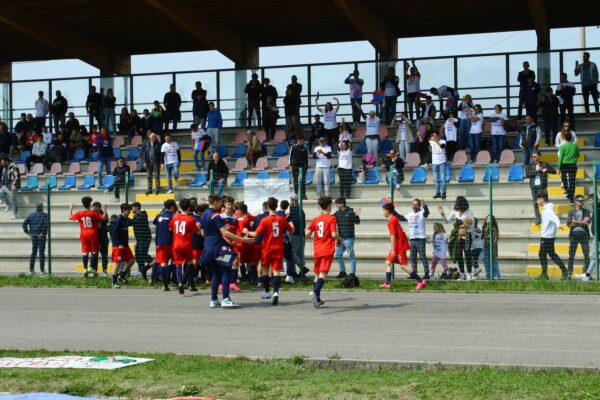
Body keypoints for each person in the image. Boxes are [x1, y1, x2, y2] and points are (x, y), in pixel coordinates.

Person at [201, 195, 254, 309]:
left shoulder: (204, 214)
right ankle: (225, 298)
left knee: (216, 272)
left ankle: (214, 299)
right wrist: (242, 239)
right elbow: (225, 232)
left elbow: (202, 232)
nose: (222, 205)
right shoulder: (216, 216)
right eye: (220, 202)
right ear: (216, 202)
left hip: (208, 245)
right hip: (218, 247)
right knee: (226, 270)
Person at [247, 197, 294, 305]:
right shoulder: (281, 219)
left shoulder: (264, 220)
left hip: (267, 248)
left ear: (268, 207)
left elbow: (255, 234)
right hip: (278, 248)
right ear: (276, 206)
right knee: (276, 271)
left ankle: (267, 292)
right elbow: (291, 230)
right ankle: (276, 293)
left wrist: (246, 231)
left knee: (265, 270)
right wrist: (291, 223)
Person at [380, 202, 427, 289]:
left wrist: (393, 250)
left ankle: (420, 281)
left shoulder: (392, 220)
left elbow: (393, 236)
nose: (383, 212)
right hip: (398, 245)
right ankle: (387, 283)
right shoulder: (393, 219)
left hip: (399, 246)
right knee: (387, 262)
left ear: (388, 211)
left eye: (384, 210)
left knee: (403, 265)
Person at [305, 197, 339, 308]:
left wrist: (310, 234)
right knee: (323, 273)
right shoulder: (332, 218)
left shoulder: (316, 219)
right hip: (327, 249)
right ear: (329, 206)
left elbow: (307, 233)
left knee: (317, 274)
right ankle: (314, 292)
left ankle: (317, 300)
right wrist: (340, 240)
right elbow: (334, 234)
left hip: (317, 249)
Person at [438, 196, 476, 280]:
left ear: (461, 203)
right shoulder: (454, 211)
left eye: (456, 202)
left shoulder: (469, 211)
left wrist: (466, 226)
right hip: (457, 236)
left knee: (467, 255)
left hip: (467, 235)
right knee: (459, 255)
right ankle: (462, 274)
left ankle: (469, 274)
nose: (455, 204)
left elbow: (473, 225)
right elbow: (447, 221)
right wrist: (443, 214)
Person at [168, 198, 201, 295]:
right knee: (190, 263)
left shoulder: (175, 217)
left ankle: (180, 283)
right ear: (189, 207)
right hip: (186, 244)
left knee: (178, 264)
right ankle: (184, 280)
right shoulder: (191, 219)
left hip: (176, 244)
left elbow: (170, 228)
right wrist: (198, 226)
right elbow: (197, 232)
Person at [69, 197, 107, 278]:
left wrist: (70, 208)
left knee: (85, 252)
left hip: (83, 235)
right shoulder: (93, 214)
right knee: (94, 252)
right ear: (90, 204)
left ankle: (85, 269)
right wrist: (105, 209)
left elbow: (70, 217)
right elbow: (103, 217)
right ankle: (91, 267)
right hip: (93, 234)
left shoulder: (79, 213)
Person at [536, 193, 568, 280]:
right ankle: (563, 270)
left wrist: (558, 225)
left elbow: (554, 217)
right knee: (551, 254)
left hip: (547, 237)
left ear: (542, 198)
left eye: (538, 199)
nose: (537, 201)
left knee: (542, 254)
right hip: (549, 236)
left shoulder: (547, 209)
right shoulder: (547, 208)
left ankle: (545, 274)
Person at [526, 151, 556, 225]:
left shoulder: (544, 164)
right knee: (535, 202)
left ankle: (548, 216)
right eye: (532, 156)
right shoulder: (530, 165)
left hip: (542, 186)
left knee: (546, 201)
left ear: (539, 156)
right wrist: (536, 171)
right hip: (534, 187)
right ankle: (538, 217)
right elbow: (527, 175)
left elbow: (554, 171)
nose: (533, 158)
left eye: (535, 156)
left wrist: (546, 170)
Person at [153, 199, 177, 290]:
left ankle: (165, 285)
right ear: (172, 207)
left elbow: (155, 222)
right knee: (174, 262)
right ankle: (174, 281)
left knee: (163, 263)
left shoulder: (159, 215)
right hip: (171, 242)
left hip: (160, 242)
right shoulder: (173, 217)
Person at [333, 198, 360, 278]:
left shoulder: (351, 211)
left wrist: (357, 214)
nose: (336, 205)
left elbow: (357, 222)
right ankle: (342, 271)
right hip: (340, 238)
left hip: (349, 238)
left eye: (337, 204)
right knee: (338, 255)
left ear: (342, 204)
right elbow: (330, 220)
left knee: (351, 256)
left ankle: (352, 273)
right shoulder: (337, 213)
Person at [403, 198, 430, 278]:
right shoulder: (410, 214)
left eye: (416, 204)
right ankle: (414, 274)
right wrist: (392, 211)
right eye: (413, 204)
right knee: (413, 257)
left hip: (420, 239)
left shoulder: (422, 213)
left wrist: (424, 205)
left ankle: (426, 274)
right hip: (412, 239)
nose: (414, 206)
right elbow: (401, 218)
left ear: (419, 205)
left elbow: (427, 213)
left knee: (422, 256)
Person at [220, 196, 242, 291]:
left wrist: (235, 240)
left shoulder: (234, 217)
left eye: (232, 204)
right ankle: (221, 283)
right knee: (224, 263)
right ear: (225, 205)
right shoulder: (221, 216)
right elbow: (220, 231)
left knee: (236, 262)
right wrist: (226, 239)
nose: (230, 206)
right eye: (228, 204)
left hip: (233, 243)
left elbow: (238, 230)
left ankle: (233, 283)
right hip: (224, 243)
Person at [111, 203, 136, 288]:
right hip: (119, 246)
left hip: (125, 245)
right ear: (124, 210)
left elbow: (133, 222)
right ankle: (114, 282)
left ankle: (121, 276)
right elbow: (114, 232)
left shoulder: (126, 219)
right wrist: (119, 244)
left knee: (132, 260)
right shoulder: (119, 220)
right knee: (117, 263)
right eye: (129, 211)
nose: (130, 212)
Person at [566, 195, 591, 279]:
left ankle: (587, 274)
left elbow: (586, 222)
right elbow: (569, 224)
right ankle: (569, 273)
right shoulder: (571, 212)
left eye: (583, 201)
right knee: (571, 255)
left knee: (586, 255)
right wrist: (581, 222)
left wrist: (575, 221)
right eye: (580, 201)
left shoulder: (586, 211)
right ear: (576, 202)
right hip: (573, 235)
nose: (582, 202)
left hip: (584, 235)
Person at [576, 195, 599, 281]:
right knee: (593, 256)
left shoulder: (597, 209)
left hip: (598, 237)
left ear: (593, 200)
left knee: (593, 256)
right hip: (597, 236)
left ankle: (587, 275)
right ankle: (587, 274)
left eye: (589, 201)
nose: (588, 203)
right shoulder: (595, 209)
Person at [22, 202, 48, 275]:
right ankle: (42, 270)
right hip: (41, 236)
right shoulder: (45, 215)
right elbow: (46, 225)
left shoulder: (31, 215)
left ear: (35, 207)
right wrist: (42, 232)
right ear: (42, 207)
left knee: (34, 252)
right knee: (41, 253)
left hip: (34, 235)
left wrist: (28, 233)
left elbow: (24, 224)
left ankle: (31, 270)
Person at [131, 202, 152, 280]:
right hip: (139, 239)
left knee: (143, 255)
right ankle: (144, 276)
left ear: (136, 208)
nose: (131, 210)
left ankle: (155, 263)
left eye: (132, 208)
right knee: (139, 257)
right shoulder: (136, 216)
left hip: (144, 239)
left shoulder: (142, 215)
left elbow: (133, 222)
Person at [557, 131, 579, 204]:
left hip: (564, 165)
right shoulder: (575, 146)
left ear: (564, 138)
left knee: (564, 178)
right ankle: (571, 198)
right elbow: (578, 155)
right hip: (573, 165)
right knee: (572, 181)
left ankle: (567, 191)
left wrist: (558, 168)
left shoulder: (562, 147)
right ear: (571, 138)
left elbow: (560, 158)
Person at [574, 51, 599, 116]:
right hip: (584, 85)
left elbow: (596, 75)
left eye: (585, 56)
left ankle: (597, 112)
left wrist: (596, 84)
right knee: (586, 100)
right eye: (583, 56)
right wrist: (576, 66)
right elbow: (576, 74)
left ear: (588, 57)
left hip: (592, 84)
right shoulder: (581, 66)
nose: (583, 57)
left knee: (595, 98)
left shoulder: (593, 64)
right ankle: (587, 113)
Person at [288, 194, 307, 278]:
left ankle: (302, 268)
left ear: (293, 200)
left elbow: (293, 223)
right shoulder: (301, 209)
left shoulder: (293, 209)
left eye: (290, 200)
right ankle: (301, 272)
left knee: (292, 253)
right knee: (300, 254)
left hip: (295, 235)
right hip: (302, 234)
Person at [92, 202, 110, 276]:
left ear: (100, 208)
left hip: (103, 238)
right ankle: (94, 271)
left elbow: (105, 218)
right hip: (94, 239)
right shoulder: (92, 215)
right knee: (94, 255)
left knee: (104, 255)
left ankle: (104, 270)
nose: (95, 209)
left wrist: (105, 209)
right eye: (94, 207)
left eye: (96, 207)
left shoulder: (104, 214)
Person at [481, 215, 500, 280]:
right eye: (487, 218)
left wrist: (491, 244)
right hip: (485, 246)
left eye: (490, 218)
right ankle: (488, 274)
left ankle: (496, 274)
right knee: (486, 261)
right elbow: (482, 237)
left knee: (493, 260)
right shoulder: (484, 227)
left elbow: (495, 238)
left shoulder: (493, 228)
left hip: (492, 246)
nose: (488, 219)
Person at [430, 131, 447, 199]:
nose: (434, 137)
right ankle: (437, 192)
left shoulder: (443, 141)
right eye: (433, 136)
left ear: (438, 135)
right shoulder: (431, 141)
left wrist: (435, 141)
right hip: (434, 162)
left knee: (443, 178)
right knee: (435, 179)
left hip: (442, 161)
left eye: (435, 135)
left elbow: (442, 147)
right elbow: (423, 143)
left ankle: (443, 192)